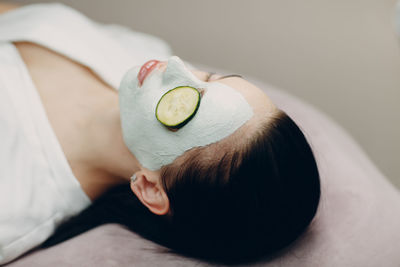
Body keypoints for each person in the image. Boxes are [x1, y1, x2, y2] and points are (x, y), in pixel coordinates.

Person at [0, 2, 320, 265]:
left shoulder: (13, 206)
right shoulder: (141, 53)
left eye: (190, 109)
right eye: (210, 78)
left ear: (152, 189)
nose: (176, 66)